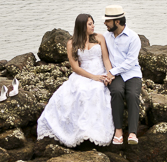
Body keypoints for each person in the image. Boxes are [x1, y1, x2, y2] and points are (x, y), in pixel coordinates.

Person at [37, 14, 115, 147]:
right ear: (82, 26)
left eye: (93, 23)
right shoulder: (71, 43)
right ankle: (79, 131)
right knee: (80, 91)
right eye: (90, 24)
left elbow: (106, 59)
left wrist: (109, 74)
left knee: (97, 90)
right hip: (83, 74)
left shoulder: (99, 38)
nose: (93, 26)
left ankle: (93, 132)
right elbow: (75, 67)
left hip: (100, 72)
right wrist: (93, 77)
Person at [102, 5, 142, 144]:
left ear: (117, 22)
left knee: (132, 95)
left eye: (107, 21)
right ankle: (118, 130)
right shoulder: (106, 37)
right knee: (117, 92)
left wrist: (112, 72)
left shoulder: (133, 37)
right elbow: (104, 56)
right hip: (115, 75)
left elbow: (131, 62)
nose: (105, 23)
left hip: (132, 73)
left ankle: (132, 133)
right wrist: (108, 73)